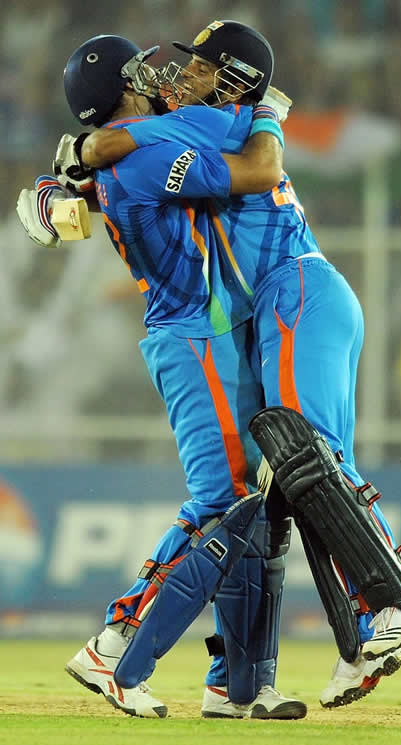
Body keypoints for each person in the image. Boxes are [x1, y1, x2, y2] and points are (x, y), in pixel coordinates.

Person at [69, 19, 401, 709]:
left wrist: (91, 147)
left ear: (235, 79)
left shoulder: (237, 121)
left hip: (295, 287)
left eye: (197, 67)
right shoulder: (208, 124)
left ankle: (399, 600)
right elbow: (113, 154)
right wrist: (71, 169)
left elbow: (127, 145)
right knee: (288, 483)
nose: (177, 78)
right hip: (276, 302)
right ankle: (300, 660)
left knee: (308, 457)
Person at [17, 29, 307, 720]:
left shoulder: (129, 149)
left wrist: (69, 167)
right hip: (191, 337)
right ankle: (117, 641)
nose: (159, 77)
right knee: (222, 505)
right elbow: (258, 170)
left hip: (200, 334)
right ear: (122, 88)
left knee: (249, 508)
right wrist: (266, 109)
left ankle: (233, 679)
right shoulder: (151, 152)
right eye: (141, 72)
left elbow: (72, 186)